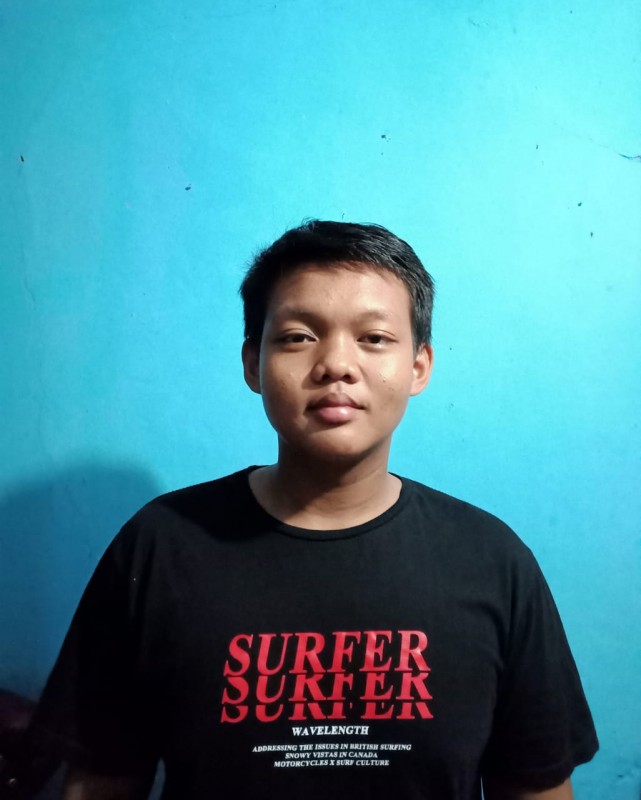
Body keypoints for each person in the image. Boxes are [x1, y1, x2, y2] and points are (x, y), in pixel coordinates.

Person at [30, 221, 598, 799]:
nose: (337, 365)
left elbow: (536, 787)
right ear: (253, 363)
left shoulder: (491, 560)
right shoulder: (161, 546)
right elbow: (99, 783)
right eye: (299, 336)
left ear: (419, 366)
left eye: (373, 338)